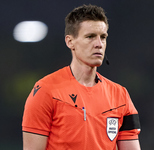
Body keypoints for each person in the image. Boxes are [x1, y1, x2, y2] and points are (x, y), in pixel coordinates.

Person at [22, 4, 141, 150]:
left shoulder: (121, 96)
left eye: (103, 37)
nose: (99, 44)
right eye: (90, 37)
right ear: (70, 42)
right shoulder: (45, 91)